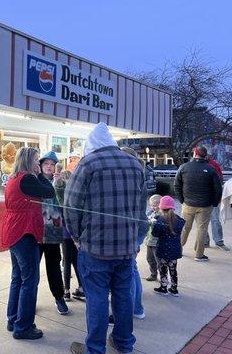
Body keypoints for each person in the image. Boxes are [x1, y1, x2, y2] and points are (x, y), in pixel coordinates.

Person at [65, 123, 146, 354]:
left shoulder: (88, 164)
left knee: (97, 299)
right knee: (123, 296)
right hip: (127, 247)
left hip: (95, 247)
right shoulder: (134, 164)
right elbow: (141, 211)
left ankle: (95, 349)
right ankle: (123, 343)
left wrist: (76, 236)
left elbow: (71, 206)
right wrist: (137, 238)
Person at [2, 147, 55, 340]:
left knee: (18, 277)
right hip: (24, 232)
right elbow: (49, 191)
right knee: (30, 281)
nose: (38, 164)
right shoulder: (28, 178)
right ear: (27, 161)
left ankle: (13, 319)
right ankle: (23, 327)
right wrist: (41, 174)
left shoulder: (14, 178)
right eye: (35, 160)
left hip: (14, 232)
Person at [174, 146, 222, 262]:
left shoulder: (184, 167)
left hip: (188, 204)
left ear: (195, 154)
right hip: (205, 205)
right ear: (205, 155)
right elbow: (218, 188)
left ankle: (178, 249)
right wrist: (214, 203)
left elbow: (177, 185)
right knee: (202, 229)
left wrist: (182, 200)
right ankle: (199, 255)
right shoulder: (211, 169)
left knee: (185, 228)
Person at [38, 151, 69, 315]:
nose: (49, 167)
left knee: (54, 268)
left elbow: (65, 205)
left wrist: (59, 186)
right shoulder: (35, 181)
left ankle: (59, 298)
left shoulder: (61, 183)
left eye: (52, 164)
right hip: (35, 232)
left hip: (53, 234)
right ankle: (30, 299)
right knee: (32, 270)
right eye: (46, 164)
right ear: (41, 166)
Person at [120, 146, 148, 320]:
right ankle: (136, 308)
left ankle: (135, 309)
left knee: (130, 269)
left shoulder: (133, 177)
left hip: (134, 228)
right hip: (138, 227)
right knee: (132, 268)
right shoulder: (138, 174)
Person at [55, 167, 84, 301]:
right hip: (77, 234)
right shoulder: (76, 195)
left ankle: (66, 290)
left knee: (66, 261)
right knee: (77, 261)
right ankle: (81, 287)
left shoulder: (62, 197)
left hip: (66, 234)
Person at [151, 196, 186, 296]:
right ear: (173, 207)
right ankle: (174, 289)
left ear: (161, 208)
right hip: (175, 250)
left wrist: (154, 225)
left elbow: (155, 234)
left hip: (163, 249)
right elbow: (180, 228)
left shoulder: (159, 220)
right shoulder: (179, 220)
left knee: (163, 269)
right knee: (173, 269)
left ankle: (164, 288)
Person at [204, 156, 229, 251]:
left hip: (212, 199)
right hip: (201, 199)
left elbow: (219, 182)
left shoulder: (213, 165)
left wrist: (217, 197)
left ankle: (218, 241)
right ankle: (205, 241)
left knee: (215, 220)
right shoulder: (195, 165)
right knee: (202, 221)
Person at [145, 194, 162, 282]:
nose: (153, 207)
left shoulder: (162, 214)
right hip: (149, 241)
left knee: (159, 261)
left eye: (156, 205)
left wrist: (155, 221)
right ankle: (153, 274)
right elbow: (145, 219)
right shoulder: (150, 212)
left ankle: (163, 276)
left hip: (157, 243)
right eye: (152, 205)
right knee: (149, 259)